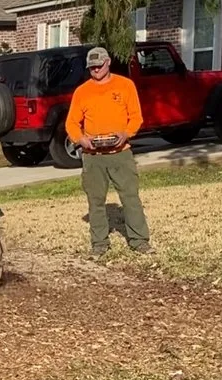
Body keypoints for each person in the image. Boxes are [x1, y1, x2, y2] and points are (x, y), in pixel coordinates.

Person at [65, 46, 155, 257]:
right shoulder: (82, 91)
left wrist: (126, 134)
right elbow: (71, 123)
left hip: (121, 153)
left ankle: (139, 241)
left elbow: (136, 117)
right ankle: (99, 244)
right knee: (95, 202)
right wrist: (81, 140)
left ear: (108, 63)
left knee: (130, 197)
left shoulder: (125, 86)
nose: (95, 70)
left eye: (99, 65)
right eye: (92, 67)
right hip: (93, 157)